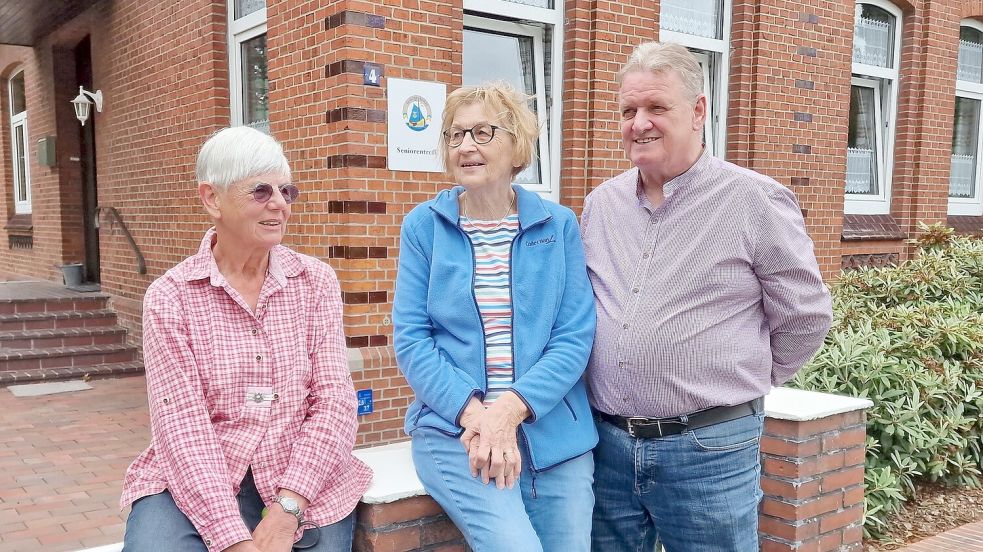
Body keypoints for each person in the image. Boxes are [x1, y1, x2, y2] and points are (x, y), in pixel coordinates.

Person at [581, 42, 833, 552]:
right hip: (607, 446)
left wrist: (739, 384)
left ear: (698, 110)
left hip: (708, 450)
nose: (639, 123)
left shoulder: (753, 199)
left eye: (656, 108)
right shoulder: (601, 205)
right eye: (629, 111)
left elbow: (805, 316)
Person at [120, 126, 371, 552]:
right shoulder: (170, 297)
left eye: (285, 191)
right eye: (259, 191)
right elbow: (182, 428)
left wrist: (287, 509)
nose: (279, 204)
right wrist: (231, 539)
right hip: (200, 474)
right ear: (212, 198)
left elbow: (335, 402)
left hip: (301, 473)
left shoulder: (315, 282)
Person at [392, 82, 598, 551]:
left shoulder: (558, 224)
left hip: (553, 434)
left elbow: (573, 336)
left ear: (516, 143)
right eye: (455, 134)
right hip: (455, 429)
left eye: (482, 132)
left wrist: (511, 409)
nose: (466, 146)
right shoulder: (424, 227)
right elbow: (412, 339)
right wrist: (479, 416)